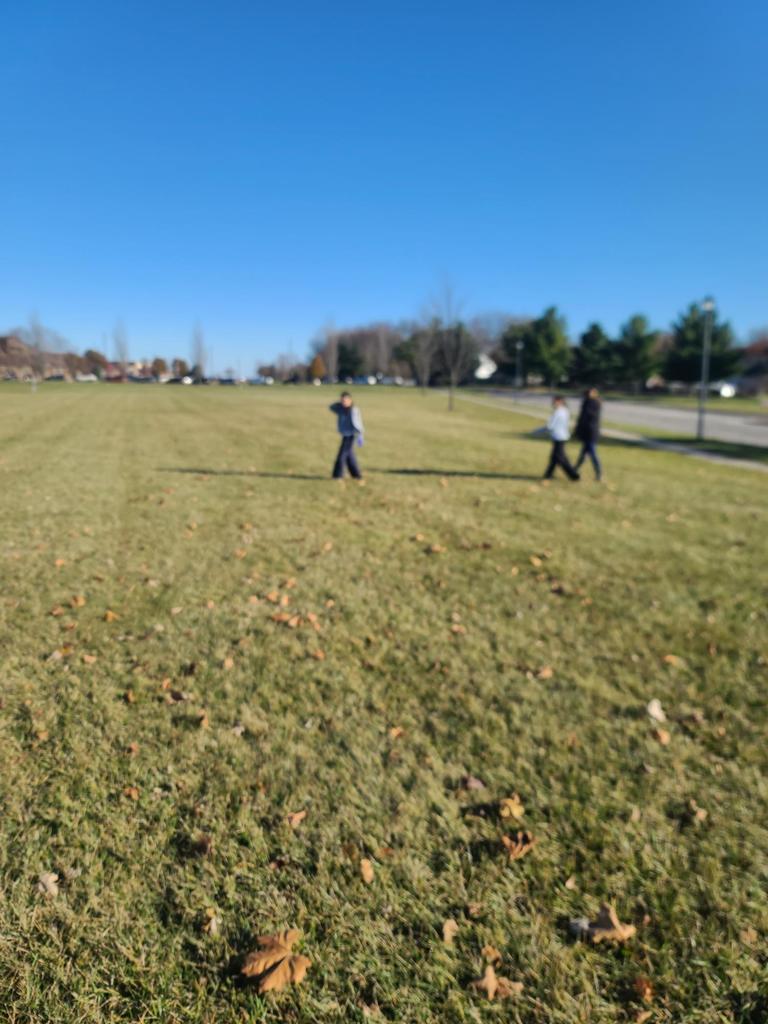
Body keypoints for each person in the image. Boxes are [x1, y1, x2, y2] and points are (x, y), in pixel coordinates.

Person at [543, 395, 580, 481]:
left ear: (560, 401)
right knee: (554, 458)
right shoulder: (565, 411)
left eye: (554, 401)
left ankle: (574, 475)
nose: (553, 403)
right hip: (563, 436)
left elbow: (550, 426)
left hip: (558, 437)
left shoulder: (558, 411)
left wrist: (538, 431)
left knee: (560, 458)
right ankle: (548, 475)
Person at [329, 391, 364, 479]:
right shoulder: (340, 409)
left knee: (341, 455)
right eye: (342, 400)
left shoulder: (353, 410)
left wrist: (360, 434)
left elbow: (357, 423)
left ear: (350, 400)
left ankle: (337, 475)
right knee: (349, 456)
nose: (344, 402)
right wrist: (340, 403)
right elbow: (331, 407)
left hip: (351, 435)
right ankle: (356, 474)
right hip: (345, 434)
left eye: (345, 400)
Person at [574, 387, 602, 481]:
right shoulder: (589, 403)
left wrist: (578, 430)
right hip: (588, 432)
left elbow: (585, 418)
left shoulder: (593, 403)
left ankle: (599, 473)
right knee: (583, 454)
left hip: (591, 433)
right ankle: (574, 470)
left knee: (592, 454)